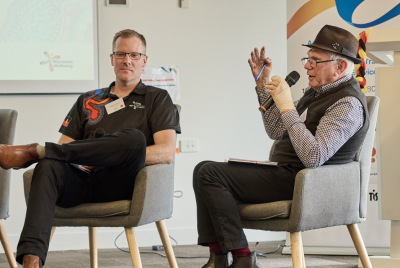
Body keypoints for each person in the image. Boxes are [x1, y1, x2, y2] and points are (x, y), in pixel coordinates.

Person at [0, 29, 180, 268]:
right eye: (121, 54)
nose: (127, 60)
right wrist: (80, 158)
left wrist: (108, 157)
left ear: (144, 61)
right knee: (48, 165)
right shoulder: (88, 99)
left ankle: (36, 150)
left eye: (135, 55)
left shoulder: (157, 98)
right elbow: (64, 148)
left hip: (123, 183)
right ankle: (31, 261)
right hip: (80, 181)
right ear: (112, 58)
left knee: (134, 139)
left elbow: (166, 152)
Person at [193, 24, 369, 268]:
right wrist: (262, 85)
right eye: (308, 59)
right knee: (203, 168)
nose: (307, 65)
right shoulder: (316, 92)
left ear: (340, 67)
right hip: (285, 173)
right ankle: (220, 258)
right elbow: (275, 129)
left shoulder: (348, 103)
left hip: (305, 182)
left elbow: (314, 156)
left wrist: (287, 106)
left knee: (210, 174)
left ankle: (243, 258)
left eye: (315, 61)